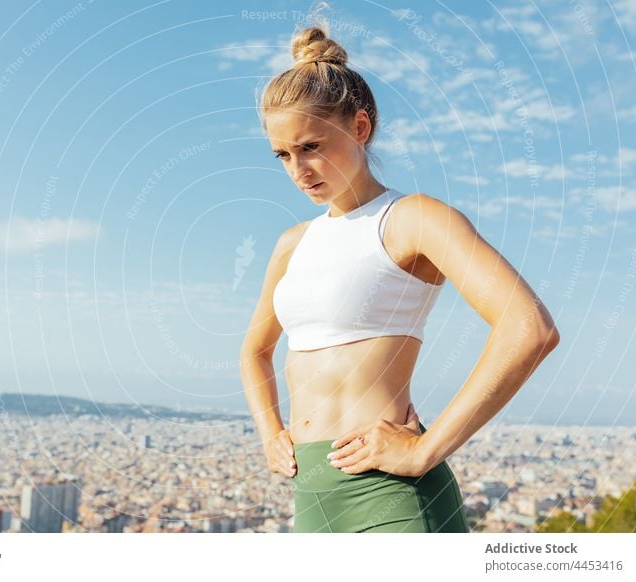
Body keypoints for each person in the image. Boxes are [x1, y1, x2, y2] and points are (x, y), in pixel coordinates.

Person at [239, 25, 560, 533]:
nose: (298, 169)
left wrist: (425, 452)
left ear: (360, 127)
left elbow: (530, 328)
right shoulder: (292, 244)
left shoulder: (413, 219)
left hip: (393, 497)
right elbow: (254, 350)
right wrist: (269, 431)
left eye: (311, 146)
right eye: (283, 154)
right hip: (312, 499)